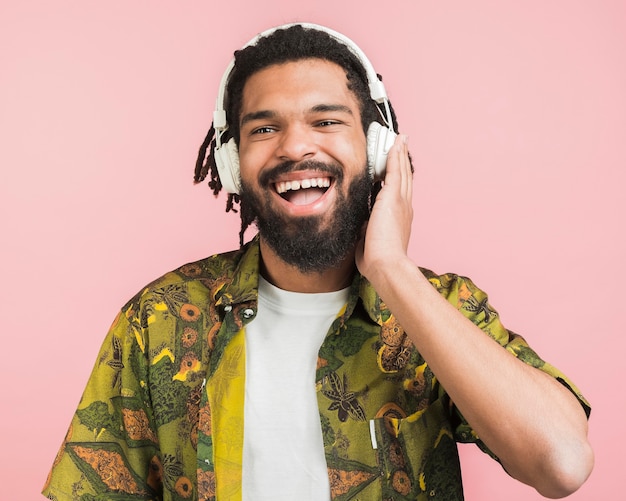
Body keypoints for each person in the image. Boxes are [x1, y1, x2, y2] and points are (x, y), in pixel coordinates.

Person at [43, 23, 593, 501]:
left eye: (326, 121)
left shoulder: (440, 307)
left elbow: (562, 464)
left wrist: (392, 271)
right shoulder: (159, 319)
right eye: (263, 128)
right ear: (233, 163)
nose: (293, 147)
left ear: (378, 149)